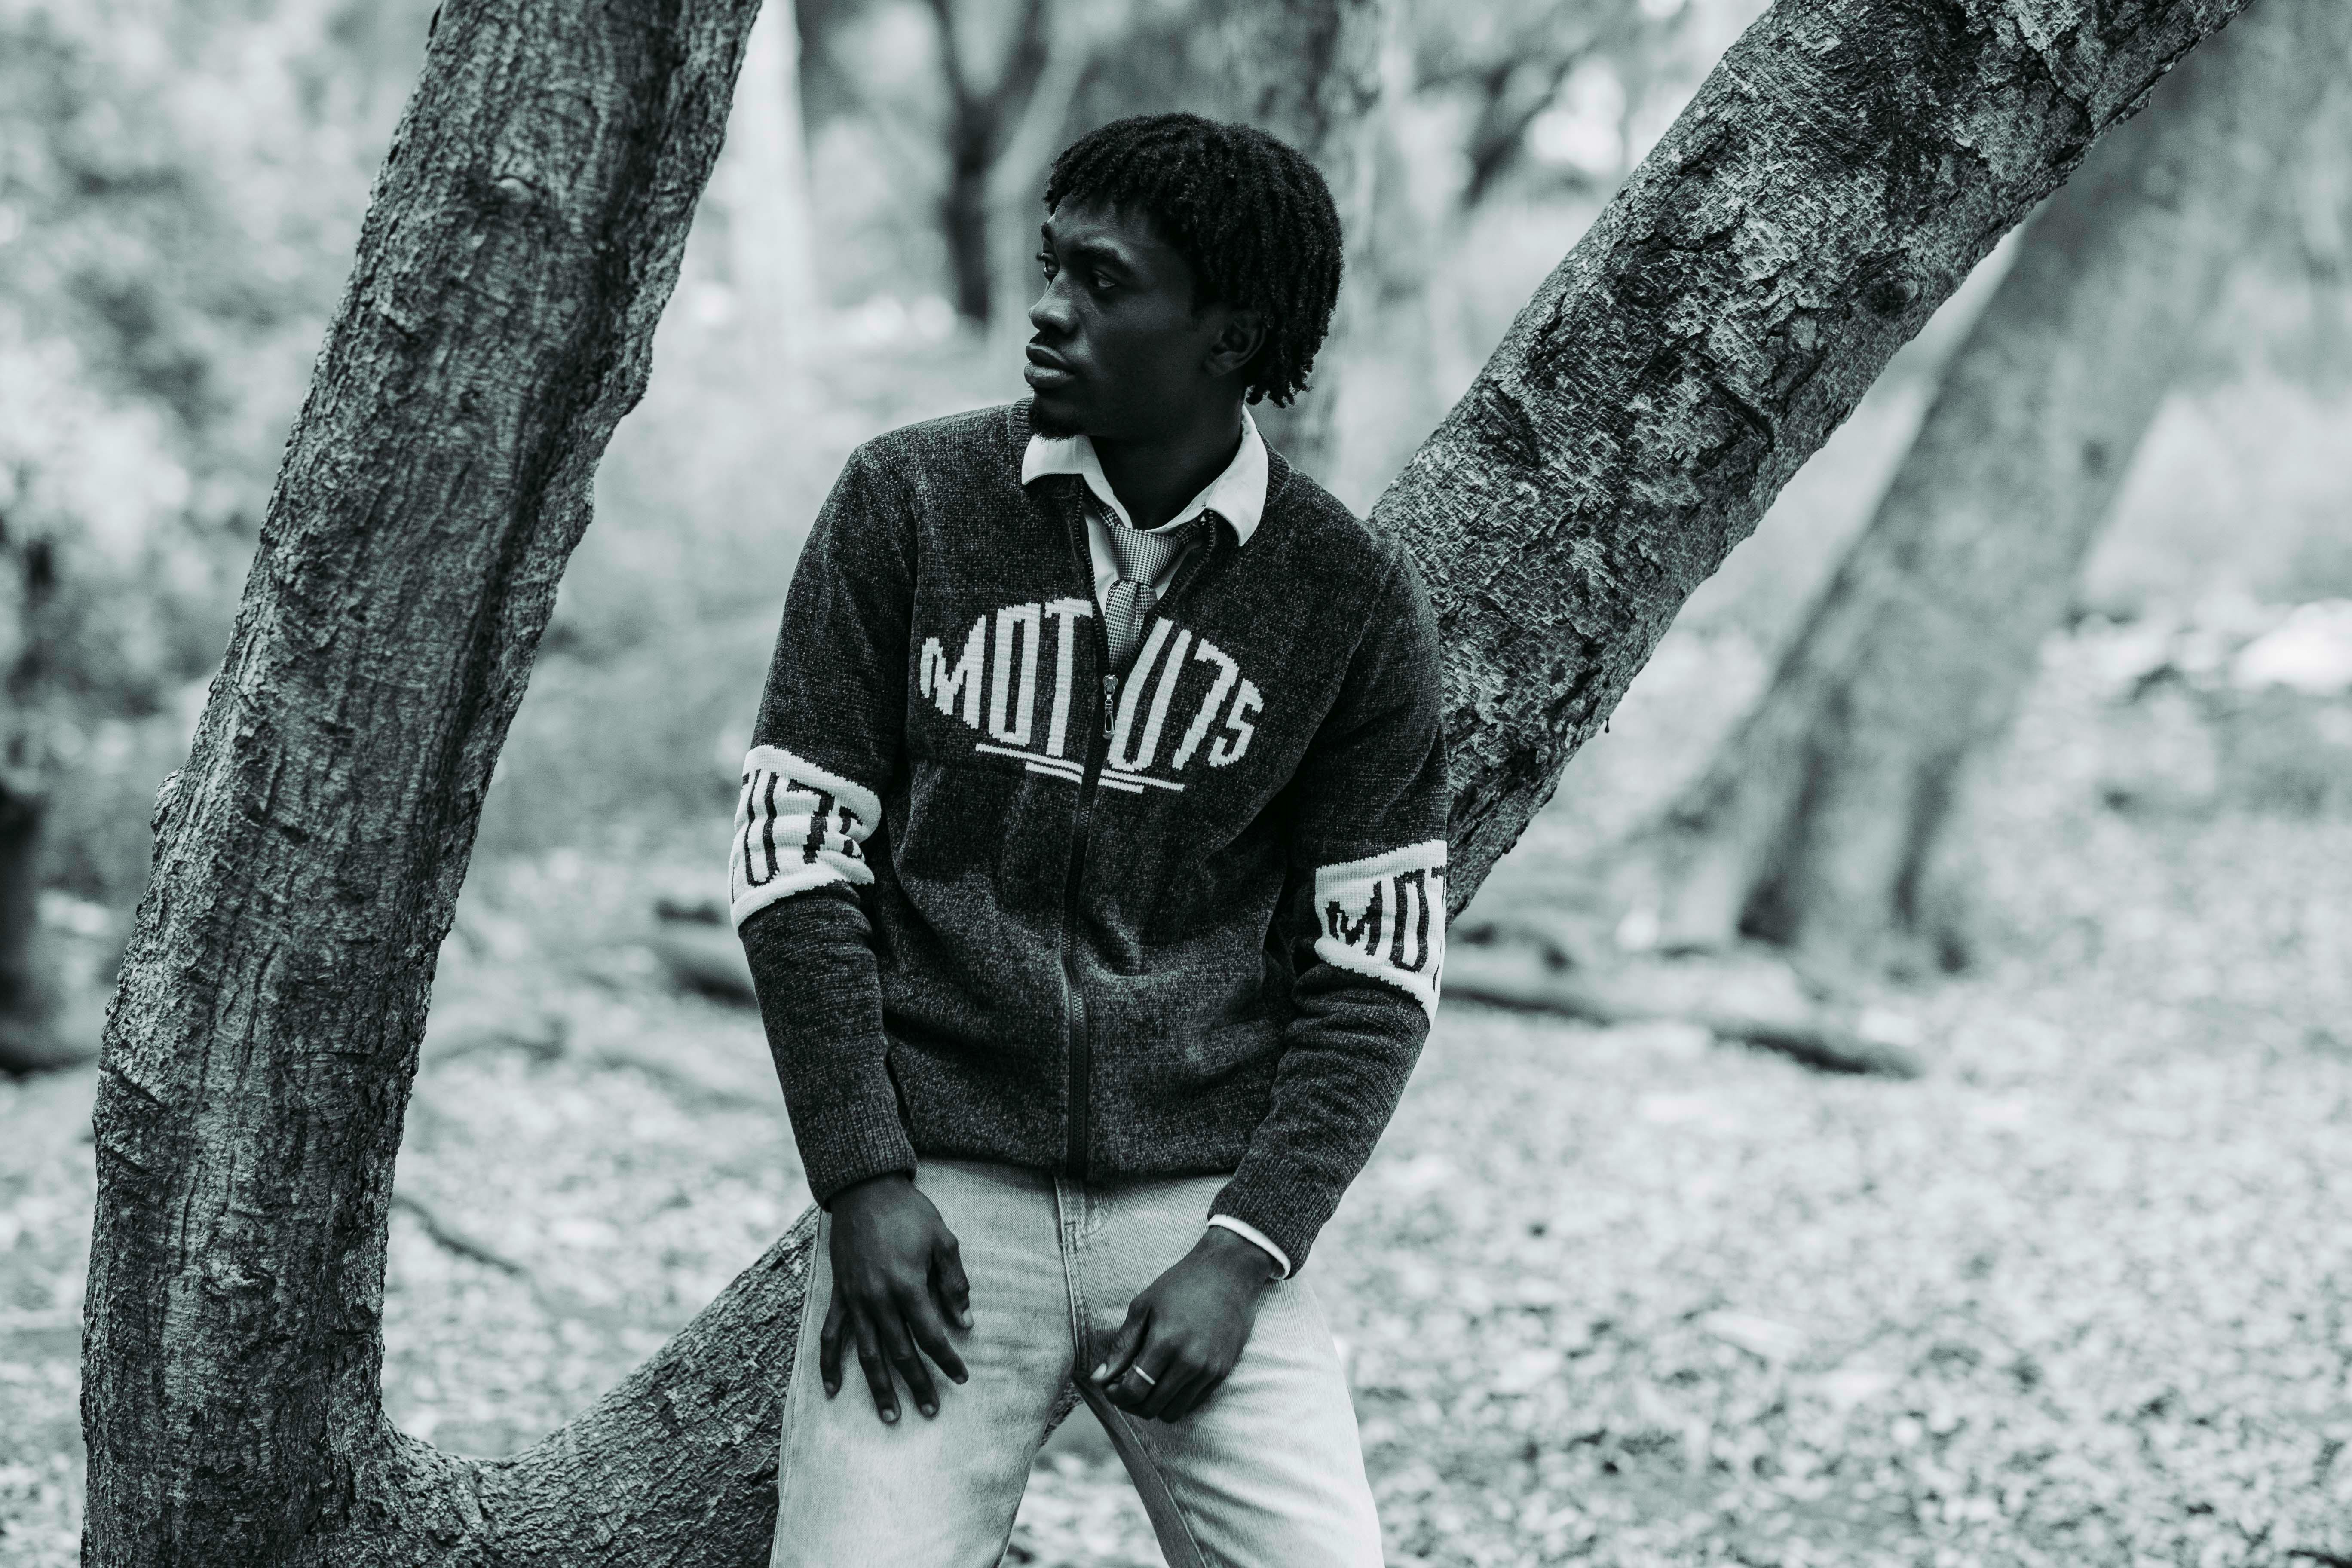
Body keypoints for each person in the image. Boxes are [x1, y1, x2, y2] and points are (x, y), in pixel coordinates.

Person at [732, 111, 1449, 1568]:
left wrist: (1249, 1255)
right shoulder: (908, 503)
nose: (1050, 309)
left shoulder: (1348, 601)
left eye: (1104, 283)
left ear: (1229, 333)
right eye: (1052, 265)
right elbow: (799, 862)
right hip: (941, 1205)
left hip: (1197, 1212)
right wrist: (863, 1179)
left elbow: (1375, 975)